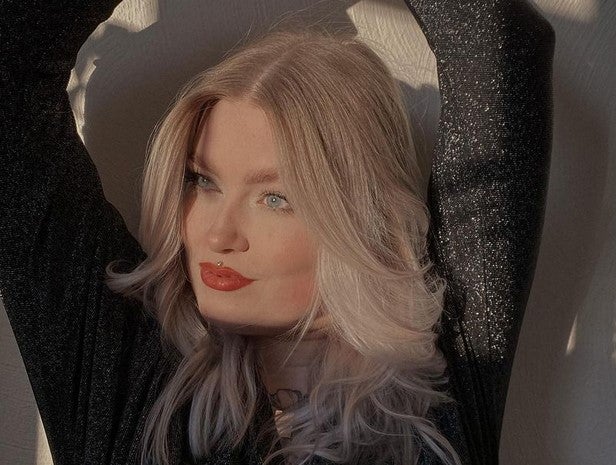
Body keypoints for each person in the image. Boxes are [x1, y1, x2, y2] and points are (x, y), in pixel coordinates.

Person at [0, 1, 554, 464]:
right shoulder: (124, 371)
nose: (219, 235)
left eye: (275, 198)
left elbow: (500, 51)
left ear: (359, 220)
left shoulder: (441, 380)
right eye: (203, 181)